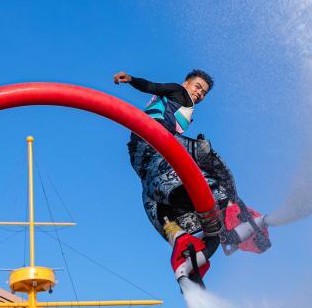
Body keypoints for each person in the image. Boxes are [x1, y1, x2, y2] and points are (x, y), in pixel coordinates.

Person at [113, 70, 270, 287]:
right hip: (154, 141)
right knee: (207, 154)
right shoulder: (178, 91)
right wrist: (131, 80)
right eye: (197, 87)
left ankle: (187, 247)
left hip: (143, 157)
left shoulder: (183, 106)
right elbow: (152, 86)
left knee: (158, 193)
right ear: (185, 83)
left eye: (204, 93)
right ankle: (233, 207)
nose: (199, 94)